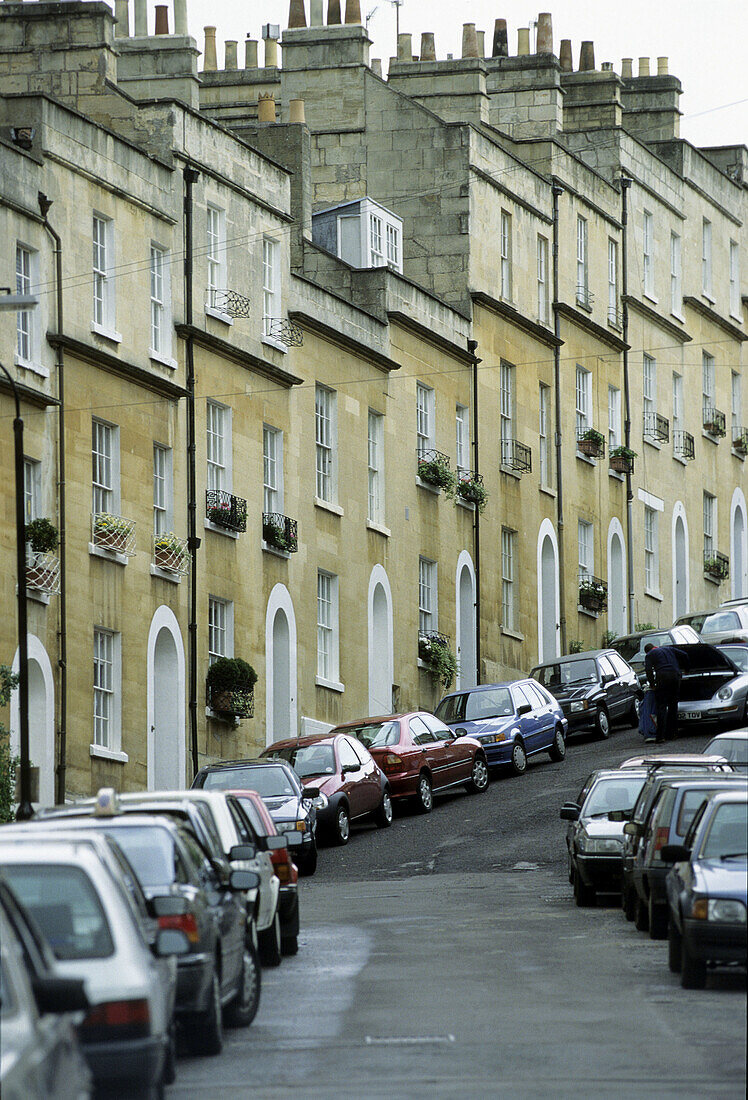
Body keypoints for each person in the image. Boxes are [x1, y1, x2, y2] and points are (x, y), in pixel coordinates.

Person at [643, 643, 688, 743]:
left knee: (662, 707)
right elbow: (685, 655)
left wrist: (652, 684)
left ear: (647, 651)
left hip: (662, 678)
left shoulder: (650, 655)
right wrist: (686, 669)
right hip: (676, 676)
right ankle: (673, 734)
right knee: (673, 706)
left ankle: (661, 736)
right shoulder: (669, 649)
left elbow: (648, 670)